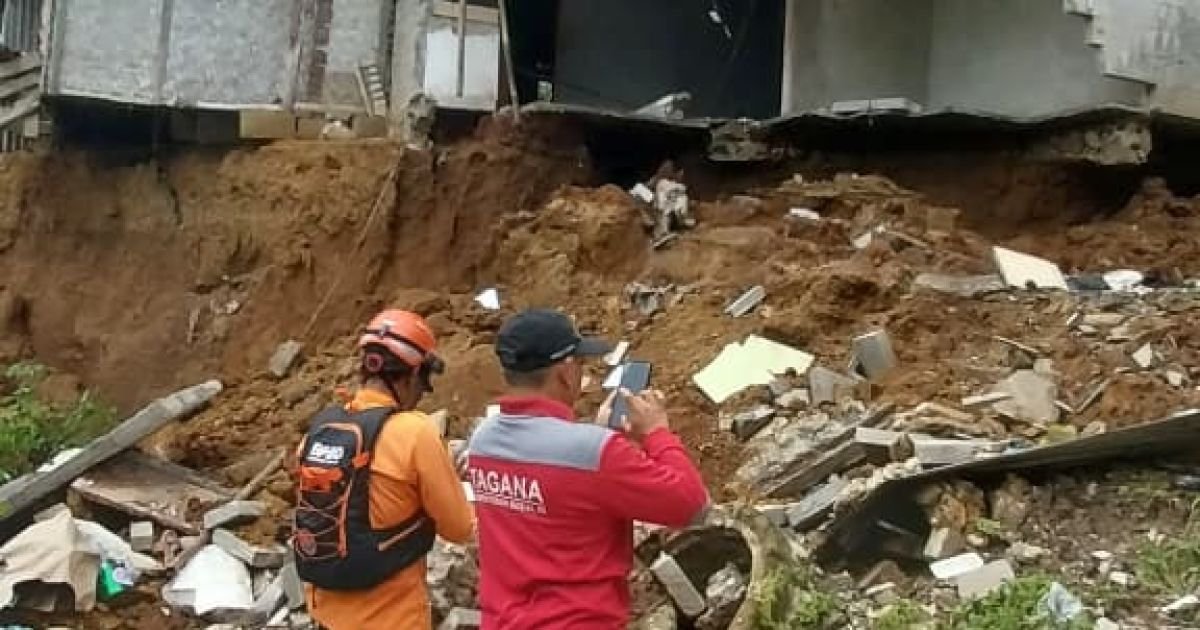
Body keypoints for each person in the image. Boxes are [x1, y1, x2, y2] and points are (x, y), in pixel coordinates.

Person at [467, 308, 710, 629]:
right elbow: (692, 506)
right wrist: (657, 433)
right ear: (566, 372)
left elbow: (551, 479)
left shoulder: (483, 443)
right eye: (580, 365)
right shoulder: (594, 453)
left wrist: (599, 440)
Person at [292, 309, 473, 630]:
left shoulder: (321, 429)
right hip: (391, 618)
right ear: (413, 374)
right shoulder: (415, 432)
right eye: (424, 381)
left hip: (326, 616)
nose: (422, 394)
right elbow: (458, 529)